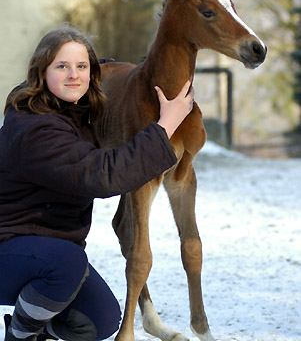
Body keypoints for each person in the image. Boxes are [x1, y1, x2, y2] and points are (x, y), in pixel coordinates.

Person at [0, 26, 194, 341]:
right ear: (41, 72)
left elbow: (100, 70)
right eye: (61, 66)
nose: (73, 75)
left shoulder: (72, 112)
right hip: (8, 248)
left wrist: (145, 75)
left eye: (82, 67)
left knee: (99, 320)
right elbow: (101, 175)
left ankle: (31, 321)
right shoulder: (36, 127)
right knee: (68, 261)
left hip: (42, 252)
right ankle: (21, 336)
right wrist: (166, 126)